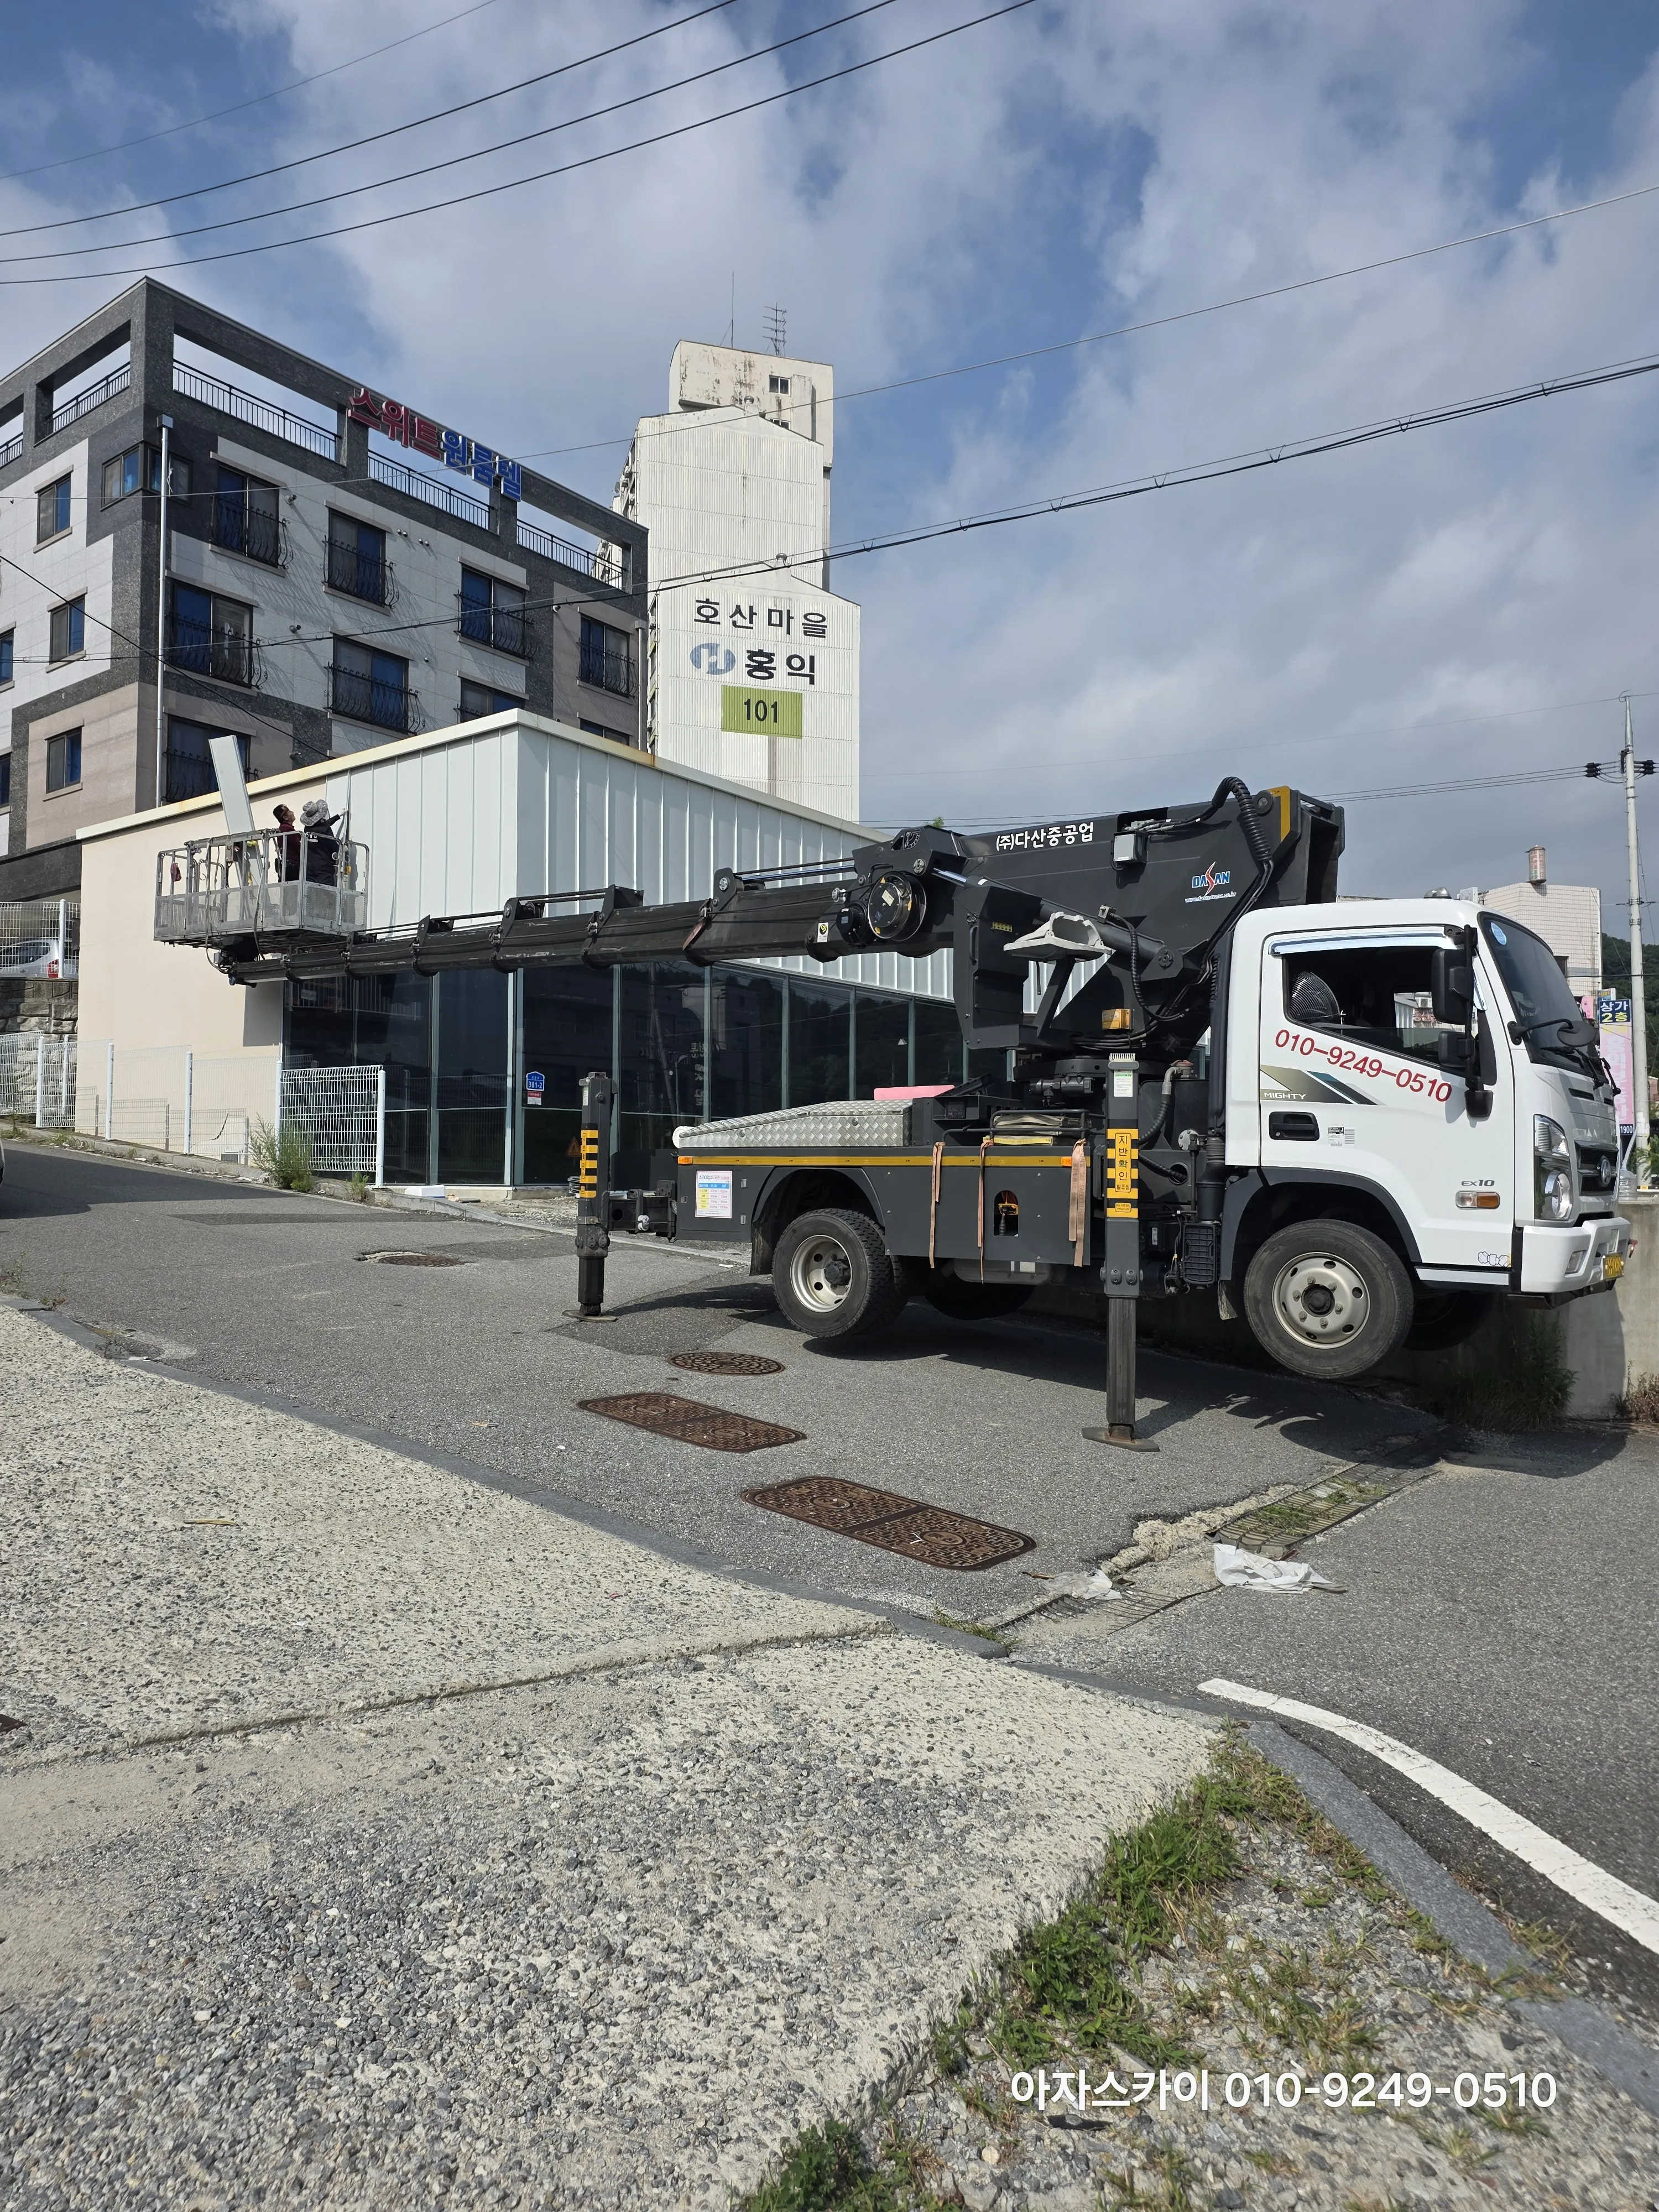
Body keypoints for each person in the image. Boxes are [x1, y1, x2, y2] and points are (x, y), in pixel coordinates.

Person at [300, 796, 341, 888]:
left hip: (310, 869)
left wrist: (338, 816)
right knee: (327, 896)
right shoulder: (325, 830)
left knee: (311, 896)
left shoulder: (307, 830)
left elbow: (324, 825)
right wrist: (343, 848)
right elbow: (335, 848)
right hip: (324, 869)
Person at [272, 804, 301, 883]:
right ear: (285, 817)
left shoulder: (284, 829)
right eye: (289, 811)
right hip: (292, 869)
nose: (292, 812)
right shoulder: (287, 830)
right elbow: (299, 848)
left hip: (288, 867)